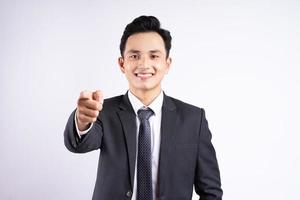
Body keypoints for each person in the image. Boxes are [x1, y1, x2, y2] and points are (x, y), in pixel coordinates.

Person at [64, 15, 223, 200]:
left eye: (154, 56)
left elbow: (211, 191)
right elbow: (79, 145)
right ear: (122, 64)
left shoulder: (193, 119)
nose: (144, 64)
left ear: (167, 63)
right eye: (134, 56)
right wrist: (82, 121)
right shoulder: (103, 111)